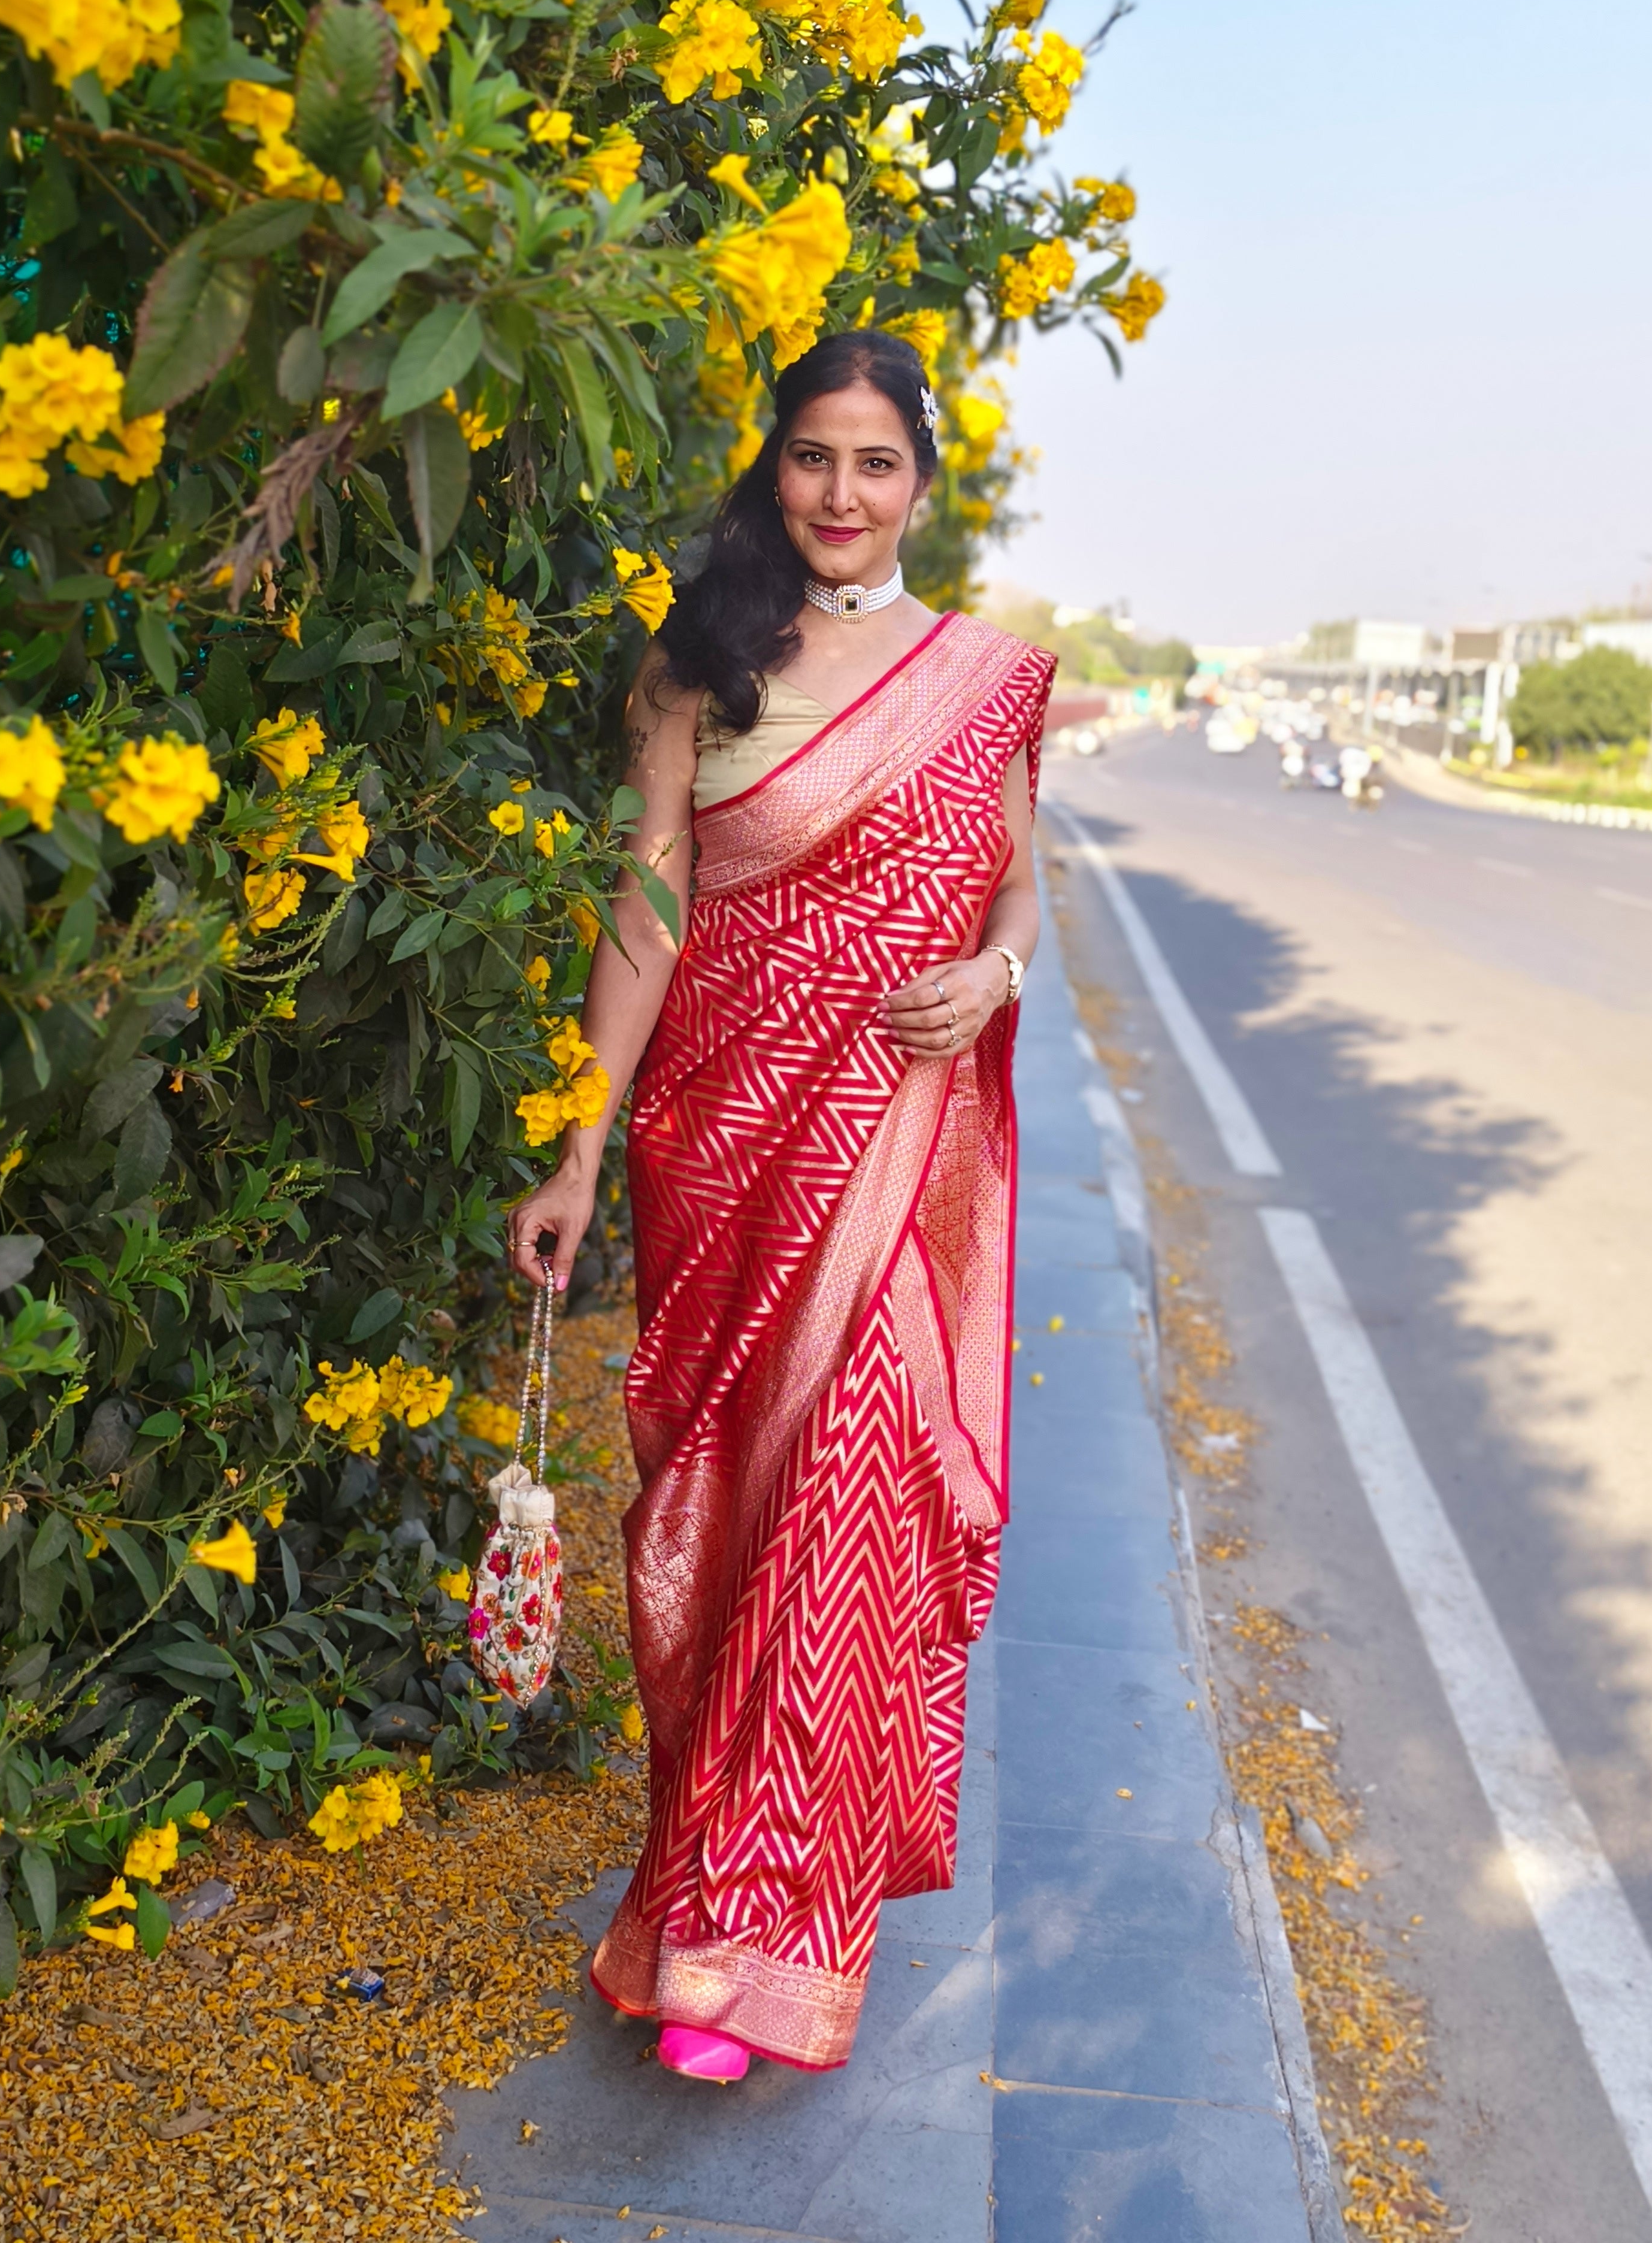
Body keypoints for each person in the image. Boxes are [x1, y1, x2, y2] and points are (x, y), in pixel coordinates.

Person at [509, 328, 1053, 2081]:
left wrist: (992, 983)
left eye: (876, 464)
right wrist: (581, 1144)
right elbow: (648, 901)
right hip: (720, 1143)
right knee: (717, 1517)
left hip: (897, 1157)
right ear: (777, 469)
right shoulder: (700, 664)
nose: (841, 493)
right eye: (814, 458)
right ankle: (704, 1867)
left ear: (919, 485)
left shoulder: (986, 681)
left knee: (842, 1519)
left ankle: (739, 1944)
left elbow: (1017, 902)